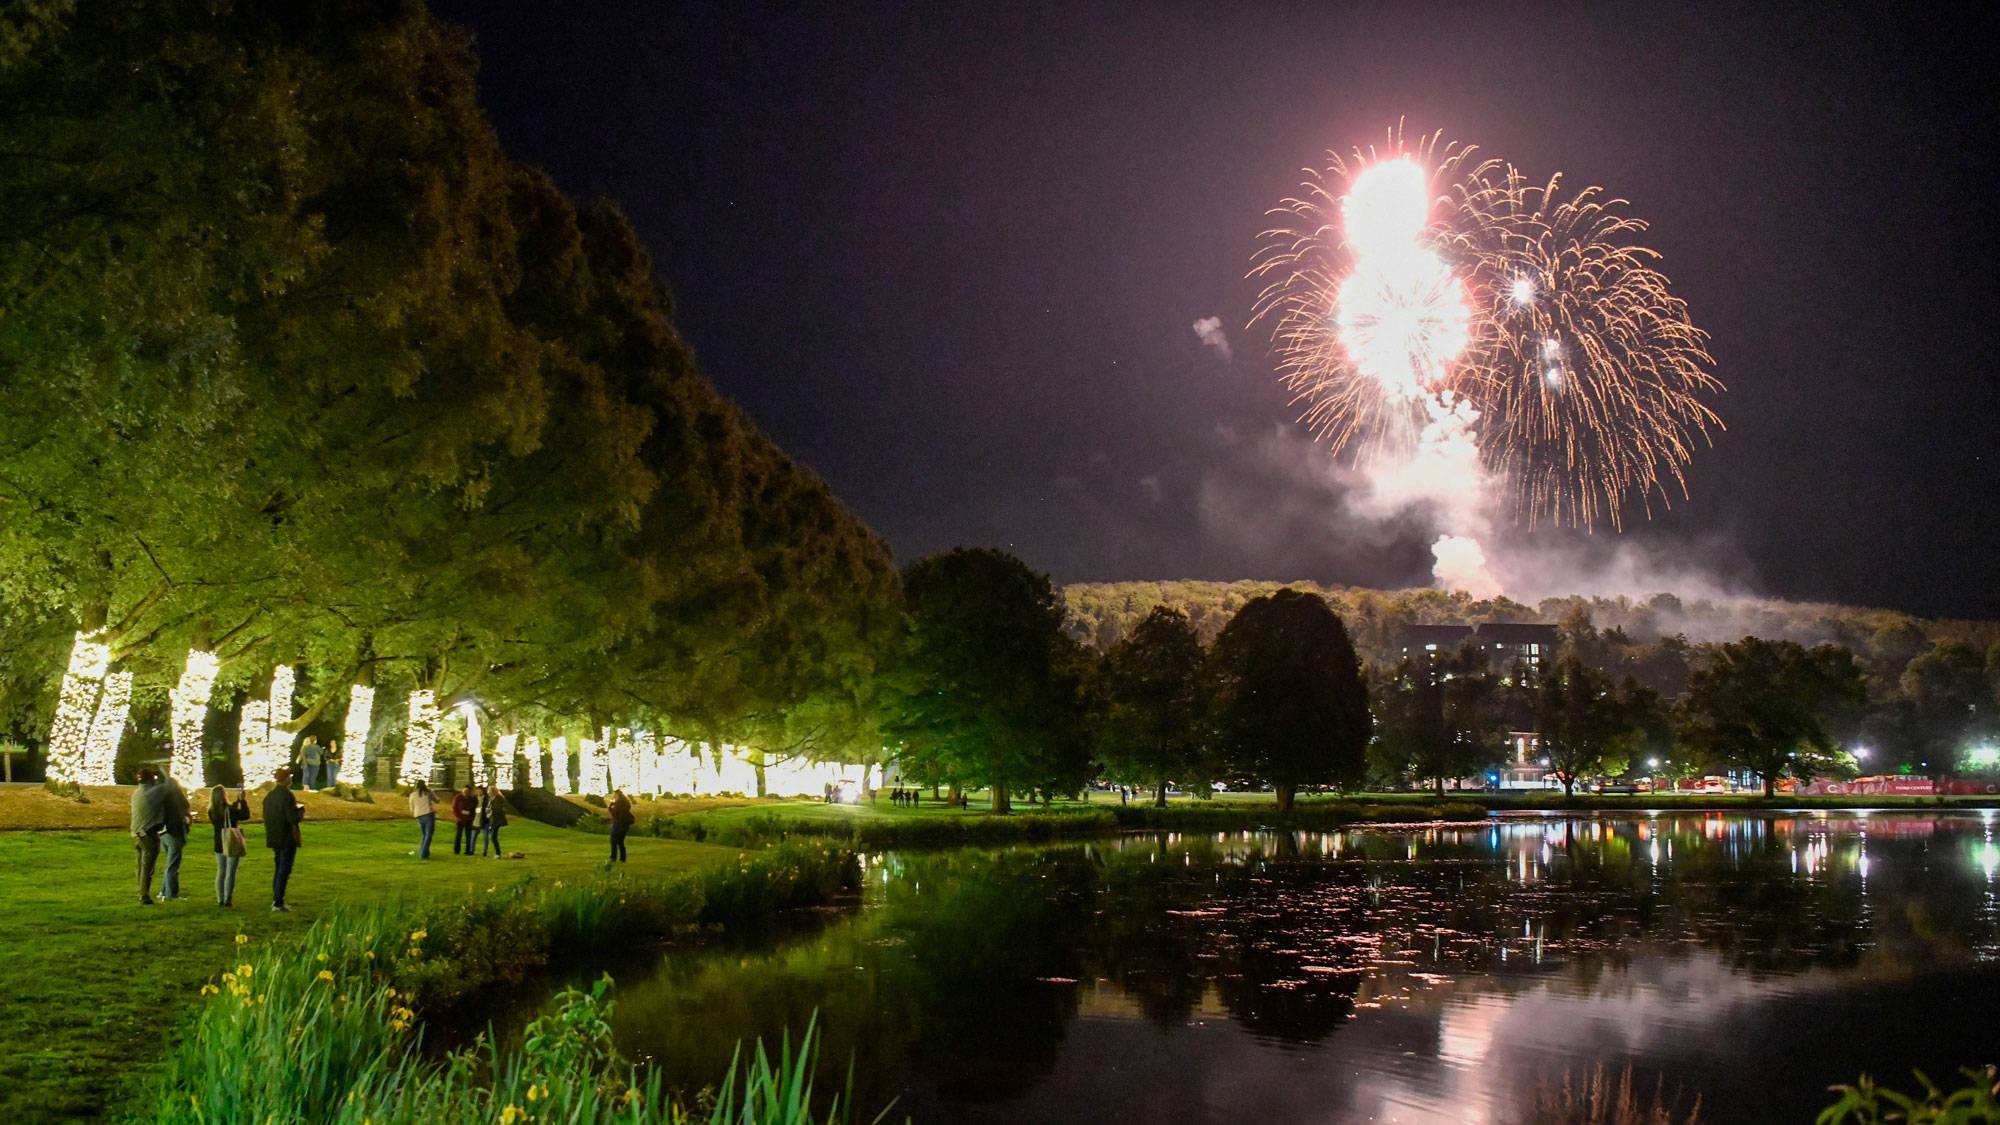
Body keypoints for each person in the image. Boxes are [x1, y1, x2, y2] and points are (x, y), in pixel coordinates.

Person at [262, 767, 305, 911]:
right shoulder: (287, 796)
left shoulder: (269, 796)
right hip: (286, 837)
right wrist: (300, 811)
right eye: (290, 776)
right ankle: (278, 901)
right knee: (284, 869)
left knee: (278, 867)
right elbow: (292, 818)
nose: (291, 779)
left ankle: (276, 898)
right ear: (285, 779)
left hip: (274, 835)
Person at [130, 768, 168, 905]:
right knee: (148, 868)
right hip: (148, 834)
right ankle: (144, 895)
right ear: (151, 779)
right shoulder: (153, 792)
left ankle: (140, 891)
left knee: (140, 866)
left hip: (137, 834)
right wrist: (164, 771)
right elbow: (168, 786)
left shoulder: (136, 793)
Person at [209, 783, 250, 907]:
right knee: (230, 871)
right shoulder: (230, 811)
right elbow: (245, 815)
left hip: (219, 842)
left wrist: (235, 804)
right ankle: (228, 898)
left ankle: (220, 898)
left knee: (221, 871)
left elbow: (226, 815)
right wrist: (242, 801)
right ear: (224, 795)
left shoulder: (212, 811)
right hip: (231, 841)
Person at [156, 771, 192, 900]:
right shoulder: (177, 799)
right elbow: (185, 809)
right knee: (173, 865)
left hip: (163, 833)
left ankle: (164, 891)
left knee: (169, 864)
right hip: (175, 832)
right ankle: (171, 894)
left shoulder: (161, 797)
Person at [409, 780, 437, 859]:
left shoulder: (412, 795)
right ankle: (423, 854)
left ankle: (423, 851)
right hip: (428, 814)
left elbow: (411, 808)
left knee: (424, 834)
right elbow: (437, 800)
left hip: (418, 815)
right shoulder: (428, 793)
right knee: (428, 835)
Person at [478, 786, 508, 857]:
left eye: (489, 791)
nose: (488, 792)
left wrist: (489, 811)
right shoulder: (491, 799)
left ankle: (498, 853)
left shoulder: (498, 798)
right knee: (493, 837)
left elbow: (497, 809)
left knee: (493, 837)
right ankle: (498, 853)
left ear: (493, 791)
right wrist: (488, 811)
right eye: (488, 791)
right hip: (492, 820)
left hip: (497, 820)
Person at [607, 789, 634, 864]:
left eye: (615, 795)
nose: (614, 797)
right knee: (620, 842)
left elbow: (616, 815)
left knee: (613, 841)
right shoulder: (625, 804)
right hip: (624, 825)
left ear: (619, 796)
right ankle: (622, 858)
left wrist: (610, 807)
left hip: (619, 825)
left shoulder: (619, 805)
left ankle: (613, 857)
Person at [451, 783, 477, 856]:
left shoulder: (472, 799)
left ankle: (468, 850)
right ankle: (457, 850)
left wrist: (472, 817)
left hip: (469, 820)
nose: (466, 792)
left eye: (468, 791)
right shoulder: (458, 797)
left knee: (468, 835)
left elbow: (474, 808)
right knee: (458, 835)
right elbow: (454, 808)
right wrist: (458, 816)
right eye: (465, 791)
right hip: (460, 820)